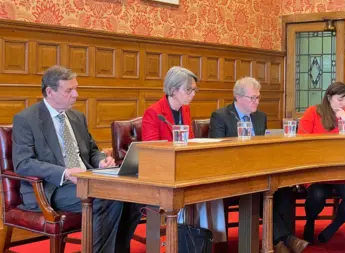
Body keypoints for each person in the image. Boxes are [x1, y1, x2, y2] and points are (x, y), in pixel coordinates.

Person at [12, 65, 142, 253]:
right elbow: (23, 163)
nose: (76, 94)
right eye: (69, 90)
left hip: (87, 178)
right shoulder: (26, 119)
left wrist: (100, 161)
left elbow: (92, 150)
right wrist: (65, 173)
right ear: (50, 91)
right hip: (52, 188)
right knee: (107, 197)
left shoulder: (77, 117)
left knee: (134, 195)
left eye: (76, 88)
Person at [209, 77, 309, 253]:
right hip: (233, 174)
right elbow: (217, 151)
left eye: (258, 98)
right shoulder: (221, 116)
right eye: (252, 98)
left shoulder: (260, 117)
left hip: (259, 171)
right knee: (262, 191)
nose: (256, 102)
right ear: (238, 97)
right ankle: (286, 239)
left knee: (283, 188)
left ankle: (278, 243)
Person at [142, 66, 228, 243]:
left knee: (213, 185)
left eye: (194, 90)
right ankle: (185, 239)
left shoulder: (185, 110)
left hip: (185, 167)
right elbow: (151, 151)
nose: (193, 94)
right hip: (163, 172)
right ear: (173, 90)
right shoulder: (154, 112)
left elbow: (190, 142)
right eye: (188, 90)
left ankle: (206, 239)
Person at [299, 81, 345, 243]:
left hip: (344, 171)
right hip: (318, 170)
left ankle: (333, 226)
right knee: (317, 195)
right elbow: (301, 140)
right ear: (329, 97)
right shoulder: (313, 112)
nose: (343, 104)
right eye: (340, 99)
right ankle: (310, 221)